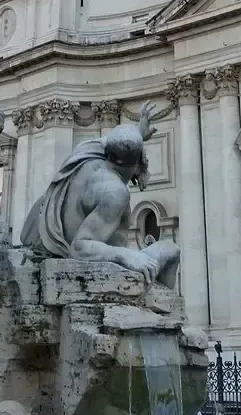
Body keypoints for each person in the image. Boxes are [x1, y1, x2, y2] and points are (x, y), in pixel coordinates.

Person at [20, 102, 180, 287]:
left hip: (49, 244)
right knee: (171, 250)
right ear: (138, 162)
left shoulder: (88, 151)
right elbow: (80, 248)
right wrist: (126, 255)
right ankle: (154, 304)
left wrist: (139, 134)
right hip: (88, 261)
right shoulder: (115, 192)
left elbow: (121, 142)